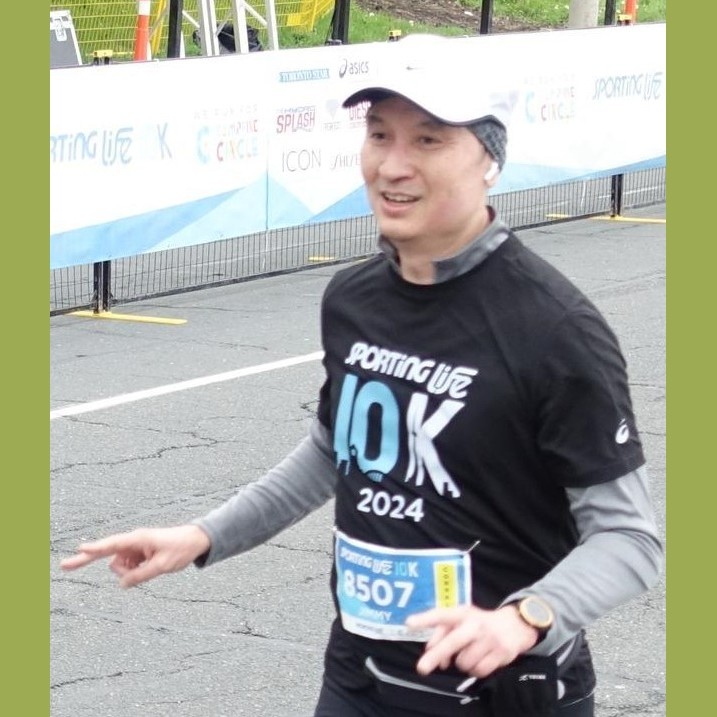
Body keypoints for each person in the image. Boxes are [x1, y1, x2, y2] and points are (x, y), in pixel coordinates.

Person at [61, 34, 663, 717]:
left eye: (428, 140)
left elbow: (629, 538)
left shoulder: (555, 329)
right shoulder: (353, 298)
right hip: (360, 675)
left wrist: (525, 617)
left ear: (489, 161)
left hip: (502, 688)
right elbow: (334, 450)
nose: (393, 165)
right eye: (379, 135)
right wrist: (204, 535)